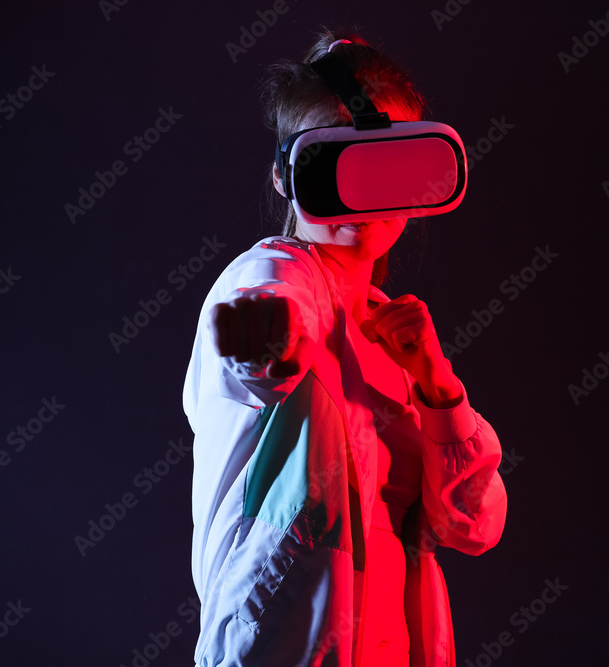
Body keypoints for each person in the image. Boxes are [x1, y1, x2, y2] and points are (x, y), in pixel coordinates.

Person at [182, 30, 508, 667]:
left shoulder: (395, 342)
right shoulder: (271, 274)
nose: (365, 193)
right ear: (286, 176)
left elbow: (474, 524)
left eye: (390, 164)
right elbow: (259, 348)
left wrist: (440, 389)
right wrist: (267, 334)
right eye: (335, 164)